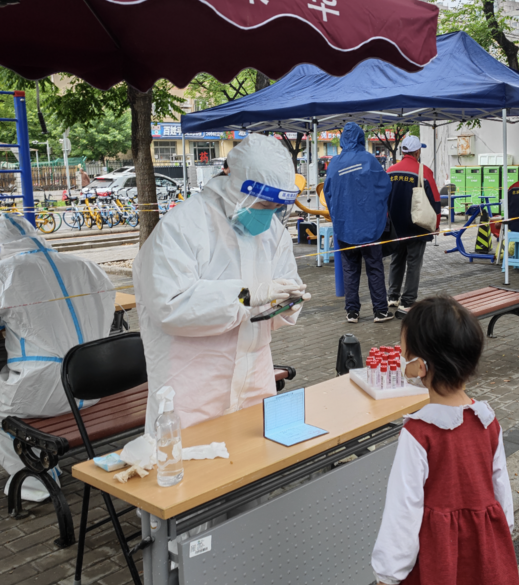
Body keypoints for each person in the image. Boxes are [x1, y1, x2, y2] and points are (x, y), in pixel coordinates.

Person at [371, 296, 519, 585]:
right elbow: (501, 486)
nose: (401, 355)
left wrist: (389, 572)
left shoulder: (419, 432)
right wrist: (501, 535)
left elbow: (403, 509)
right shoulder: (487, 420)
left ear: (420, 366)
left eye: (404, 349)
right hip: (480, 548)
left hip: (437, 555)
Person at [133, 134, 309, 434]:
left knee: (254, 463)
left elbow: (282, 286)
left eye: (276, 207)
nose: (268, 214)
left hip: (254, 375)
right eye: (264, 204)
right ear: (239, 187)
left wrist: (289, 301)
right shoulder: (184, 226)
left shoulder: (273, 231)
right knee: (193, 467)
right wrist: (246, 296)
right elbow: (171, 307)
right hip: (193, 382)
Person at [0, 213, 115, 501]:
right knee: (18, 405)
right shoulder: (85, 265)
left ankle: (35, 481)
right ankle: (38, 456)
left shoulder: (1, 272)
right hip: (96, 383)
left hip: (45, 388)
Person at [324, 123, 393, 324]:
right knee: (374, 267)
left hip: (345, 226)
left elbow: (328, 194)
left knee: (350, 269)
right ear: (361, 138)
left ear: (343, 140)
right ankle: (380, 311)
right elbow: (385, 188)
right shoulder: (369, 161)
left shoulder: (334, 164)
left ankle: (352, 312)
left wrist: (338, 214)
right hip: (370, 226)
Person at [386, 135, 441, 317]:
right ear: (417, 152)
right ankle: (408, 301)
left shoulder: (390, 171)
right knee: (414, 264)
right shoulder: (424, 171)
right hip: (417, 227)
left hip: (394, 228)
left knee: (396, 260)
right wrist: (436, 224)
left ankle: (392, 296)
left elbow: (382, 199)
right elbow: (435, 200)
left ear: (403, 151)